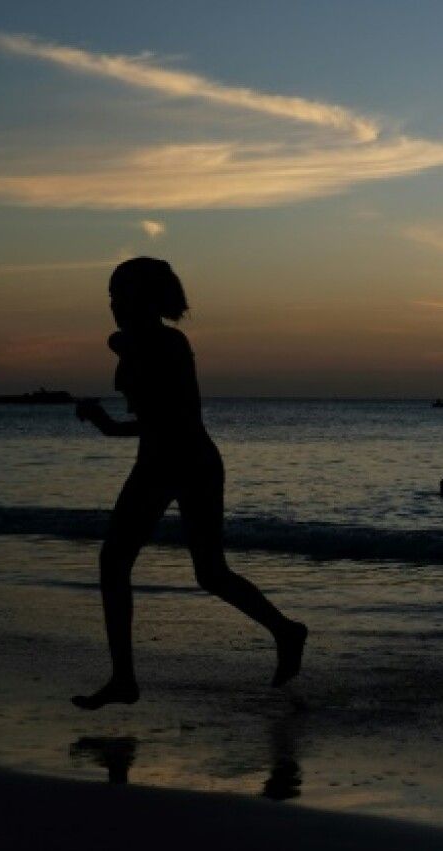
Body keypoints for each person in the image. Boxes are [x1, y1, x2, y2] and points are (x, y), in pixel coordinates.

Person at [72, 258, 306, 710]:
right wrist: (108, 416)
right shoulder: (136, 343)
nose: (113, 305)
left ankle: (285, 631)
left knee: (199, 571)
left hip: (187, 462)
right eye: (110, 297)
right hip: (162, 462)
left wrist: (109, 421)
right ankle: (125, 677)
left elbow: (173, 421)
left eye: (120, 296)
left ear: (142, 299)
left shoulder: (168, 346)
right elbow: (145, 407)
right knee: (126, 563)